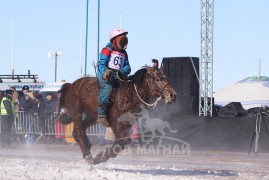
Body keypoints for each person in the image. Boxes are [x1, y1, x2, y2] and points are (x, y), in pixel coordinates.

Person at [97, 28, 131, 127]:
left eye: (125, 39)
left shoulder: (124, 53)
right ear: (115, 39)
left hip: (119, 76)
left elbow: (128, 67)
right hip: (107, 76)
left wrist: (121, 72)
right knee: (107, 90)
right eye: (122, 39)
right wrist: (106, 72)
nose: (124, 41)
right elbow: (101, 64)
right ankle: (101, 115)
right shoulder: (107, 50)